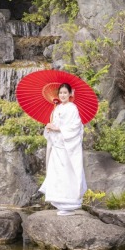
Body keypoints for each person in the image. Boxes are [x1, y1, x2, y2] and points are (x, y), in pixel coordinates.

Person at [39, 82, 86, 215]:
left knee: (67, 174)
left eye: (65, 93)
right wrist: (49, 127)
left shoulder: (73, 108)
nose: (63, 95)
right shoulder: (56, 108)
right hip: (57, 146)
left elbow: (76, 126)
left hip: (67, 148)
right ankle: (60, 203)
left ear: (70, 94)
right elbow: (53, 126)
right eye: (61, 93)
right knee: (57, 174)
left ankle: (69, 203)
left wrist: (58, 128)